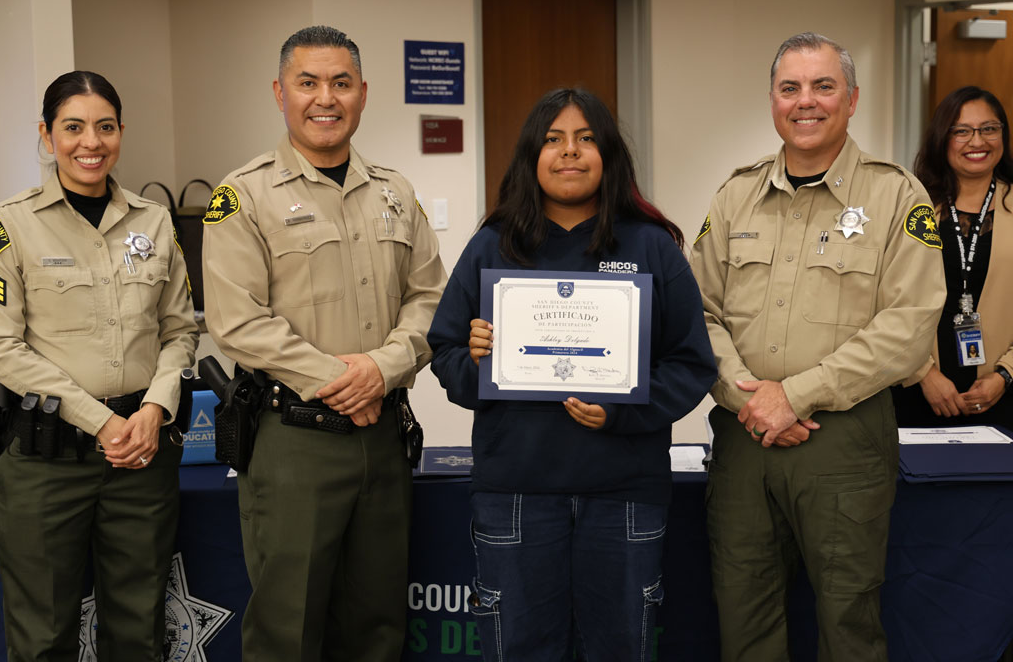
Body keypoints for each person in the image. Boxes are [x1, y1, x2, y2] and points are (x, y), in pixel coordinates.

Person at [427, 88, 717, 661]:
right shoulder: (493, 246)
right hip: (516, 494)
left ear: (608, 154)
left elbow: (692, 363)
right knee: (520, 650)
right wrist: (478, 362)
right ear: (531, 156)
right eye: (553, 140)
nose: (570, 152)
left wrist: (622, 410)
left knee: (620, 649)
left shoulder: (652, 247)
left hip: (624, 496)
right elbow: (446, 355)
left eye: (586, 139)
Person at [689, 33, 946, 662]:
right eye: (790, 88)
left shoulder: (896, 196)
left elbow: (910, 326)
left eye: (823, 86)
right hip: (743, 438)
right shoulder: (734, 196)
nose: (807, 101)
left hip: (845, 442)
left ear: (852, 98)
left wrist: (795, 396)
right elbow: (697, 312)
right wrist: (749, 397)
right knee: (744, 623)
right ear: (773, 101)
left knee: (848, 625)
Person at [201, 25, 446, 662]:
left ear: (363, 94)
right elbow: (238, 322)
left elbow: (431, 298)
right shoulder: (242, 196)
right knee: (290, 631)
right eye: (307, 83)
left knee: (378, 629)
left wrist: (382, 369)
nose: (324, 98)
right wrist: (344, 383)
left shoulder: (397, 192)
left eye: (340, 83)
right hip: (294, 445)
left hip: (384, 439)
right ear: (279, 93)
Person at [0, 71, 198, 661]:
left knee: (140, 633)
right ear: (47, 136)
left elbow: (180, 330)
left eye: (104, 127)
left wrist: (156, 407)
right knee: (43, 638)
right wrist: (99, 421)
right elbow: (1, 348)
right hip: (48, 461)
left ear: (121, 132)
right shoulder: (7, 226)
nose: (89, 142)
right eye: (72, 128)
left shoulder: (155, 222)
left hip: (142, 458)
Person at [892, 86, 1013, 425]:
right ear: (942, 139)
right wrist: (923, 373)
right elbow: (880, 301)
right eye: (961, 131)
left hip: (1000, 398)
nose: (977, 141)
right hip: (914, 392)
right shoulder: (910, 207)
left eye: (989, 129)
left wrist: (1005, 375)